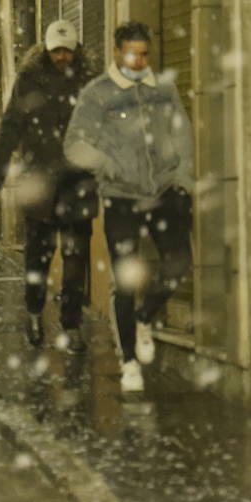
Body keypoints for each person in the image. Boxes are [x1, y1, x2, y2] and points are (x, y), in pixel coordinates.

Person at [64, 21, 194, 394]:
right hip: (121, 197)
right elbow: (75, 143)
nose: (139, 61)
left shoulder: (163, 89)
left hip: (165, 191)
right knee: (124, 280)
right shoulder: (98, 94)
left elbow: (181, 134)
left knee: (179, 263)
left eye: (144, 53)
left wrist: (184, 180)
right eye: (132, 53)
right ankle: (130, 362)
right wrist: (104, 163)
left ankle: (143, 317)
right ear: (118, 52)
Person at [0, 19, 98, 354]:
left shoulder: (88, 83)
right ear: (47, 50)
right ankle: (34, 313)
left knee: (76, 259)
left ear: (74, 50)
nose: (62, 56)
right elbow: (11, 126)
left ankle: (72, 323)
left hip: (79, 183)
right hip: (40, 185)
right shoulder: (30, 80)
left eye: (66, 50)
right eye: (56, 50)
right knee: (38, 257)